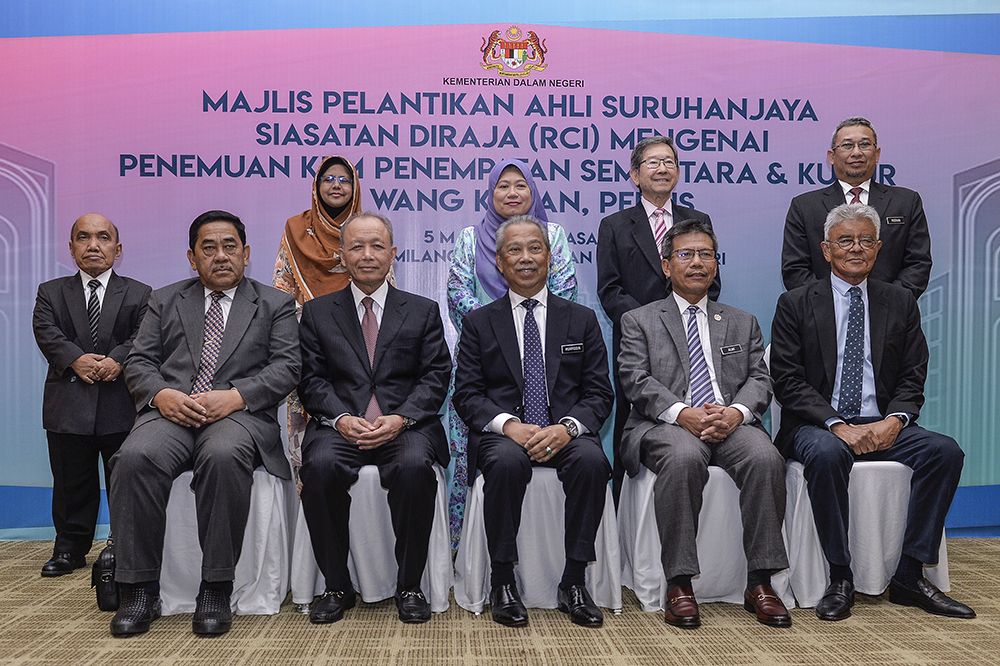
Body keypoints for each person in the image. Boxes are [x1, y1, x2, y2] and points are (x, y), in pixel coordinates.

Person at [771, 203, 974, 622]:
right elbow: (788, 381)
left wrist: (895, 419)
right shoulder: (795, 303)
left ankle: (910, 573)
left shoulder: (899, 302)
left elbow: (913, 375)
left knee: (945, 452)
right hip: (817, 424)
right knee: (828, 455)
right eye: (845, 241)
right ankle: (841, 575)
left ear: (878, 249)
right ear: (826, 250)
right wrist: (837, 424)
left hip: (882, 421)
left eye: (866, 241)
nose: (856, 249)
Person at [108, 210, 300, 637]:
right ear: (191, 258)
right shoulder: (165, 299)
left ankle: (215, 584)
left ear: (246, 254)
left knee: (223, 454)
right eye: (208, 248)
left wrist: (234, 396)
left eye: (230, 246)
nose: (220, 256)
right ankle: (138, 587)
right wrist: (162, 395)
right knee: (134, 456)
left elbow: (287, 367)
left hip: (237, 415)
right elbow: (139, 362)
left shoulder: (274, 304)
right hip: (172, 412)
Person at [618, 219, 790, 629]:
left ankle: (760, 582)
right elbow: (634, 379)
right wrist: (684, 414)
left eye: (706, 254)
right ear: (666, 265)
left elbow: (760, 378)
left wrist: (736, 413)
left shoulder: (741, 320)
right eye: (686, 254)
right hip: (666, 425)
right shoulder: (639, 320)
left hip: (730, 422)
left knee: (766, 457)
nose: (697, 262)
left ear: (716, 264)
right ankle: (679, 583)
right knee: (682, 457)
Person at [453, 215, 612, 629]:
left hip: (565, 430)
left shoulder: (581, 318)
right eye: (514, 250)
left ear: (550, 256)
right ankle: (503, 580)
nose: (526, 258)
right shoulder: (478, 323)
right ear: (499, 262)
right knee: (506, 463)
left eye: (535, 248)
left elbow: (599, 393)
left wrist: (567, 428)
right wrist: (509, 425)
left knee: (592, 462)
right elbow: (467, 394)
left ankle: (574, 581)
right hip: (506, 434)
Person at [297, 212, 451, 625]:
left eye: (377, 246)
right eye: (357, 246)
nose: (367, 255)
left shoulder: (422, 310)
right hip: (339, 425)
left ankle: (410, 585)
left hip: (405, 426)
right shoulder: (317, 313)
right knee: (320, 466)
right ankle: (335, 585)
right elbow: (311, 379)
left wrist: (401, 418)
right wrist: (342, 418)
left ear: (393, 254)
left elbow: (436, 376)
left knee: (415, 467)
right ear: (342, 254)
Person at [446, 158, 577, 549]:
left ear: (533, 192)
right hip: (483, 359)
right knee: (469, 454)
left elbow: (565, 291)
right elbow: (457, 294)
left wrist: (525, 322)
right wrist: (501, 326)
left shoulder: (552, 235)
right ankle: (465, 549)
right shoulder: (469, 238)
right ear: (490, 193)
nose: (512, 193)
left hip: (545, 359)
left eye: (521, 185)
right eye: (503, 186)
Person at [597, 136, 720, 502]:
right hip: (638, 341)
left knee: (694, 411)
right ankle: (623, 511)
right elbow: (610, 290)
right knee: (630, 418)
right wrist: (649, 323)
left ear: (678, 173)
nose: (662, 168)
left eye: (669, 162)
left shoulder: (698, 221)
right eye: (652, 162)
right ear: (635, 175)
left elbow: (711, 282)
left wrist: (683, 317)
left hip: (694, 335)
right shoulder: (615, 225)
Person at [31, 213, 150, 577]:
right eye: (84, 238)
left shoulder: (140, 293)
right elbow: (46, 331)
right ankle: (69, 549)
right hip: (69, 403)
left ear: (118, 248)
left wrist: (117, 360)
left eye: (102, 237)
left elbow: (145, 337)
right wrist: (75, 360)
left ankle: (123, 546)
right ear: (71, 248)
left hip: (121, 403)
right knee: (71, 482)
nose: (93, 245)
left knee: (125, 480)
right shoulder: (51, 292)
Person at [274, 156, 373, 485]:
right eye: (328, 179)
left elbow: (385, 294)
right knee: (311, 447)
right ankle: (311, 511)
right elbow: (282, 289)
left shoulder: (368, 231)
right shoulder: (295, 230)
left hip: (360, 347)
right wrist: (310, 326)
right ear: (316, 187)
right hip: (307, 344)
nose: (336, 185)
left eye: (344, 180)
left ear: (355, 187)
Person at [781, 116, 931, 299]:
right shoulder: (804, 207)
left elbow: (918, 264)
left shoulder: (906, 202)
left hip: (891, 318)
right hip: (822, 317)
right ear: (831, 156)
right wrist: (831, 304)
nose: (857, 152)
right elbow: (794, 269)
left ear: (877, 154)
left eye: (865, 145)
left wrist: (890, 303)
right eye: (847, 145)